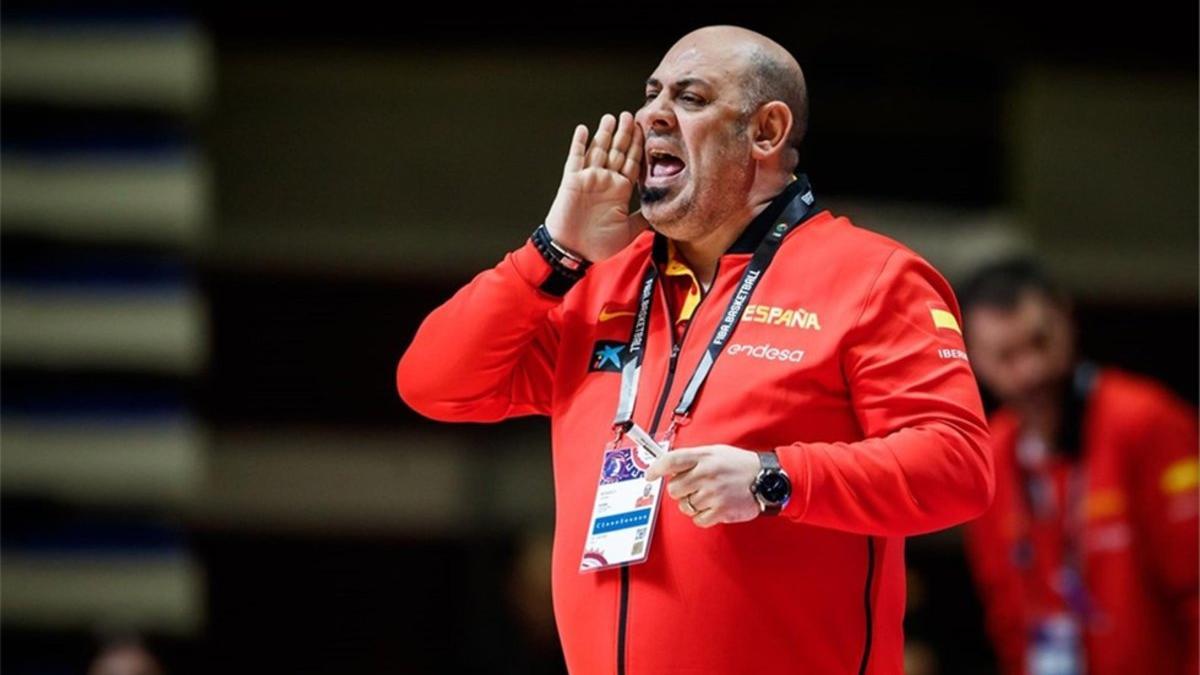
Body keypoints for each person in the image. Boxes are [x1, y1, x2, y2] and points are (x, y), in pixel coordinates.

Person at [397, 25, 993, 674]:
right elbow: (434, 383)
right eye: (651, 93)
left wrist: (775, 478)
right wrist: (553, 249)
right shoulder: (601, 281)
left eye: (690, 96)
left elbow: (957, 465)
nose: (652, 113)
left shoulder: (873, 278)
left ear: (766, 131)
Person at [957, 257, 1199, 675]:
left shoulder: (1146, 420)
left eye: (1039, 343)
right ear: (973, 360)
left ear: (1066, 319)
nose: (1030, 371)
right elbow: (1006, 619)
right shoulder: (984, 456)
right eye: (1006, 356)